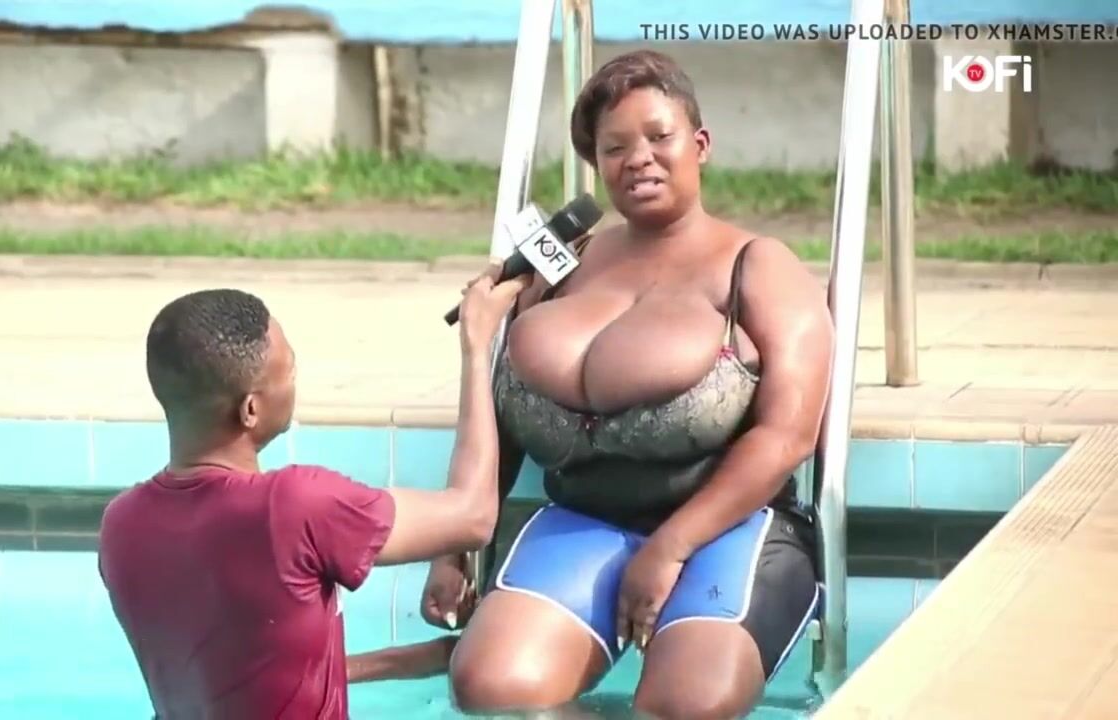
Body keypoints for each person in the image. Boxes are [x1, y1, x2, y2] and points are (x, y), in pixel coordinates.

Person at [417, 50, 836, 719]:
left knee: (687, 706)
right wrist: (456, 548)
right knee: (493, 691)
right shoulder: (563, 268)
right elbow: (502, 421)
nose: (638, 158)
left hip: (728, 529)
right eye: (615, 147)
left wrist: (671, 547)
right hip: (584, 522)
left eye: (658, 137)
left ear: (700, 145)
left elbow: (787, 437)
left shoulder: (757, 267)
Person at [96, 269, 529, 720]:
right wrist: (478, 346)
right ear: (250, 409)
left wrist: (421, 659)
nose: (295, 379)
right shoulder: (293, 506)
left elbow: (238, 668)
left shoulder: (121, 524)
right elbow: (473, 516)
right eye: (290, 369)